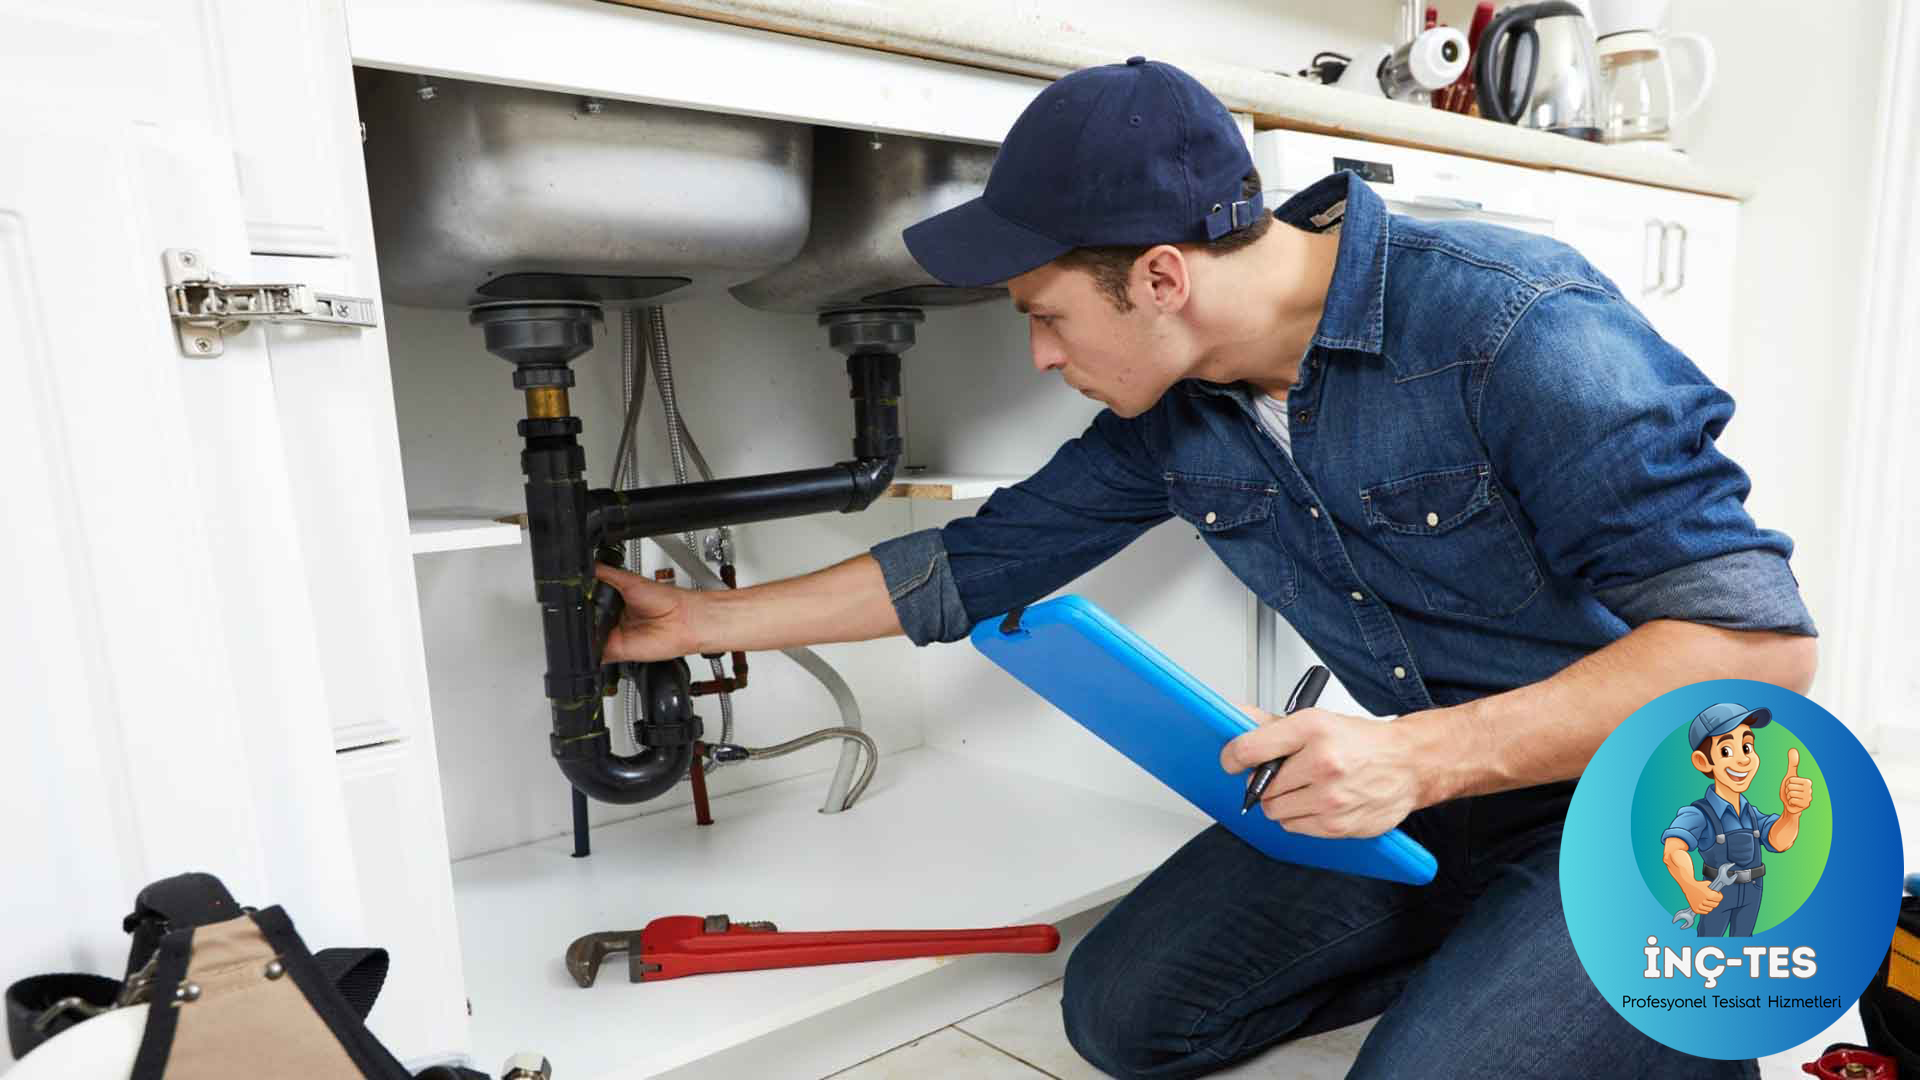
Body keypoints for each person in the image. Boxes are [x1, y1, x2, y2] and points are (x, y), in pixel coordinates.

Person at [593, 56, 1818, 1079]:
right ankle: (1511, 962)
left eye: (1045, 313)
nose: (1039, 355)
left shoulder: (1517, 327)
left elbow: (1757, 653)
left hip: (1643, 803)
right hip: (1439, 801)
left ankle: (1668, 993)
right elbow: (971, 563)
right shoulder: (1182, 410)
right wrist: (698, 622)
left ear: (1162, 277)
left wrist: (1413, 757)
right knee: (1122, 1013)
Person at [1663, 702, 1817, 938]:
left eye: (1747, 747)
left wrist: (1792, 812)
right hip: (1716, 894)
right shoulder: (1698, 813)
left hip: (1753, 890)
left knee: (1745, 947)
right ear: (1703, 761)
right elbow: (1673, 849)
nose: (1744, 760)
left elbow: (1779, 842)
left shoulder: (1751, 813)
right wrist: (1690, 886)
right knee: (1709, 947)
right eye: (1726, 751)